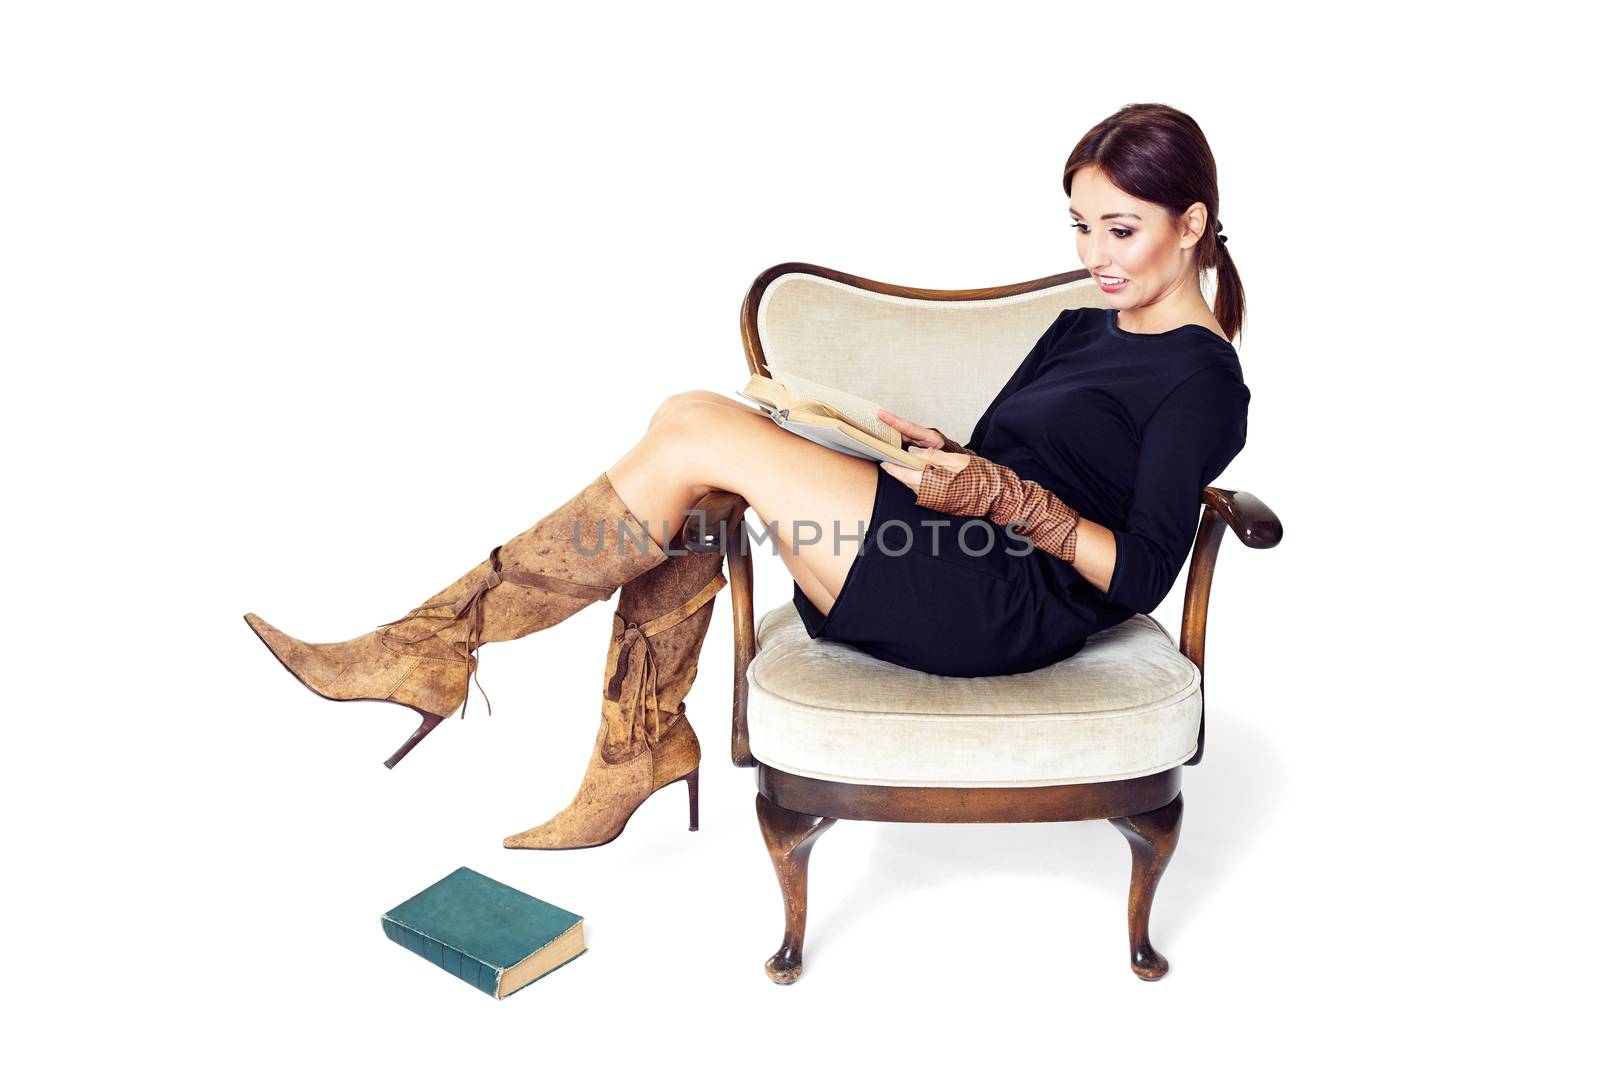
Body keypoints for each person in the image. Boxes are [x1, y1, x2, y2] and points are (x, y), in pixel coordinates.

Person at [242, 102, 1249, 851]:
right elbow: (1013, 455)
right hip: (947, 542)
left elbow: (1141, 571)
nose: (1093, 253)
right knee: (691, 432)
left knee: (692, 430)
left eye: (1120, 228)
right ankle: (602, 730)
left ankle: (442, 656)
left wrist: (1008, 501)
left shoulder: (1201, 377)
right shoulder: (1078, 327)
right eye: (1079, 225)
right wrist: (938, 451)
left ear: (1190, 222)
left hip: (1002, 600)